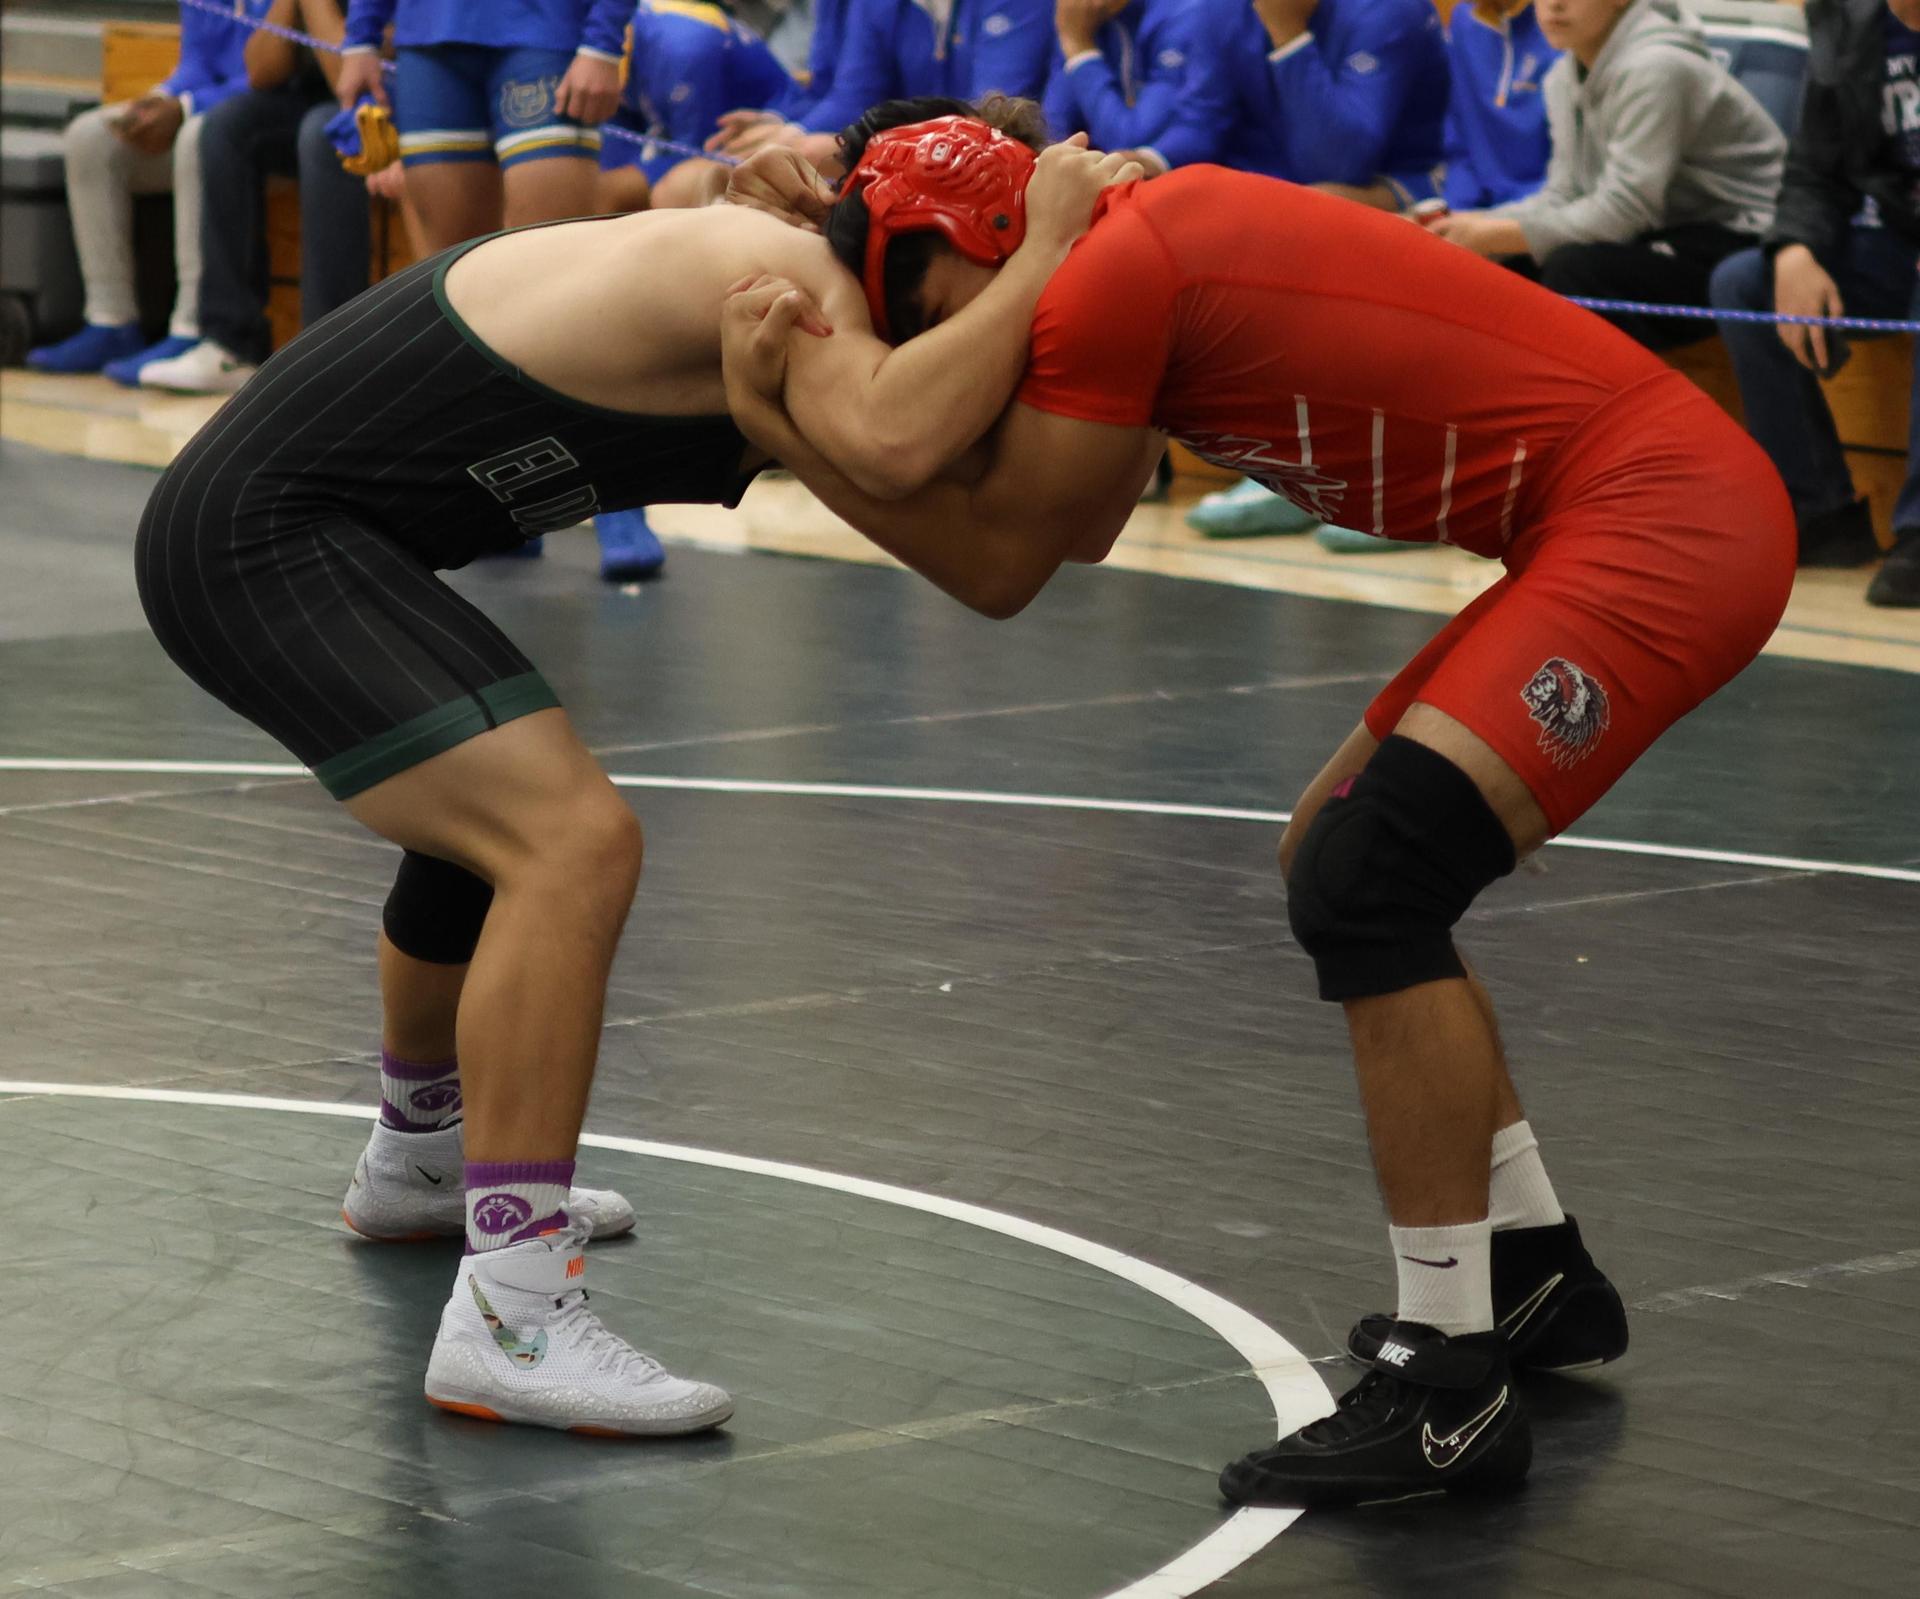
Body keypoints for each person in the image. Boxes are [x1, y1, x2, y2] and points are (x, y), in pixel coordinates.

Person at [720, 100, 1797, 1505]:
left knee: (1374, 874)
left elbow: (998, 563)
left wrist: (769, 417)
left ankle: (1449, 1380)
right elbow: (1074, 517)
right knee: (1328, 852)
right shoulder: (1097, 269)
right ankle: (1531, 1274)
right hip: (1601, 518)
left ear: (997, 230)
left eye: (926, 310)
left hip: (1668, 518)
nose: (934, 353)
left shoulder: (1106, 270)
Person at [133, 120, 1132, 1436]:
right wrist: (1053, 245)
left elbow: (1012, 554)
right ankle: (513, 1312)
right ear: (934, 249)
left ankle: (422, 1159)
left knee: (488, 813)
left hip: (329, 531)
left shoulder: (818, 333)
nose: (1020, 328)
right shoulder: (778, 288)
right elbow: (903, 455)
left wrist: (1117, 347)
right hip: (253, 537)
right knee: (568, 841)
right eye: (1003, 285)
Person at [1153, 0, 1449, 546]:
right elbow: (1198, 123)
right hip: (1297, 193)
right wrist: (1144, 162)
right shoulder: (1220, 13)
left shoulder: (1389, 11)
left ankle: (1370, 482)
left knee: (1311, 218)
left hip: (1408, 185)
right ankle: (1295, 472)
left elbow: (1342, 156)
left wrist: (1287, 32)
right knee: (1189, 221)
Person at [1710, 0, 1920, 600]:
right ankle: (1820, 513)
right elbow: (1814, 167)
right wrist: (1795, 249)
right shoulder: (1849, 21)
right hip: (1897, 241)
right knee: (1744, 284)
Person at [1429, 0, 1785, 351]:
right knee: (1510, 268)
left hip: (1745, 239)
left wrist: (1493, 234)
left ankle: (1618, 404)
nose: (1554, 5)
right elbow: (1563, 195)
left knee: (1575, 273)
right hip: (1663, 230)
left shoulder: (1658, 67)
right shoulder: (1562, 78)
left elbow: (1624, 211)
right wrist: (1467, 228)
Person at [140, 0, 384, 395]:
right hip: (321, 93)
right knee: (226, 126)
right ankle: (231, 343)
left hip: (386, 97)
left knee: (323, 135)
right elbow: (260, 72)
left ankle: (326, 357)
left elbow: (347, 80)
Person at [25, 0, 265, 385]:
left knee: (196, 138)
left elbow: (271, 75)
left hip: (254, 127)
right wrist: (159, 97)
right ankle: (110, 321)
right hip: (205, 114)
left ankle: (190, 327)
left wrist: (186, 107)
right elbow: (196, 61)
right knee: (92, 136)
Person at [706, 0, 1055, 173]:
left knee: (806, 160)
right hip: (919, 151)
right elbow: (851, 94)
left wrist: (866, 148)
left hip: (1002, 161)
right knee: (756, 164)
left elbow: (994, 118)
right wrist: (789, 132)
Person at [596, 0, 793, 216]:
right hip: (669, 130)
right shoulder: (613, 42)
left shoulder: (681, 47)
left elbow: (699, 147)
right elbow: (619, 130)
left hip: (763, 134)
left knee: (656, 195)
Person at [1442, 0, 1557, 214]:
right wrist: (1457, 210)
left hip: (1544, 217)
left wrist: (1492, 227)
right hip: (1476, 215)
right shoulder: (1465, 20)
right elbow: (1460, 143)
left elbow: (1574, 182)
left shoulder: (1563, 25)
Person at [1042, 0, 1199, 154]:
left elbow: (1131, 145)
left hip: (1180, 169)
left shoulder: (1184, 13)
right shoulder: (1081, 15)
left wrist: (1079, 46)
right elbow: (1050, 132)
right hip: (1106, 167)